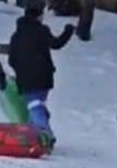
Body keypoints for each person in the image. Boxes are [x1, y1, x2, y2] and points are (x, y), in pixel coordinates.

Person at [7, 1, 75, 141]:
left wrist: (20, 70)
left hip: (25, 77)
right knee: (36, 106)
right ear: (38, 16)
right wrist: (68, 31)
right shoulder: (42, 31)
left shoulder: (16, 36)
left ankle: (35, 137)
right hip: (43, 76)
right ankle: (43, 136)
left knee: (34, 105)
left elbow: (11, 59)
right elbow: (56, 44)